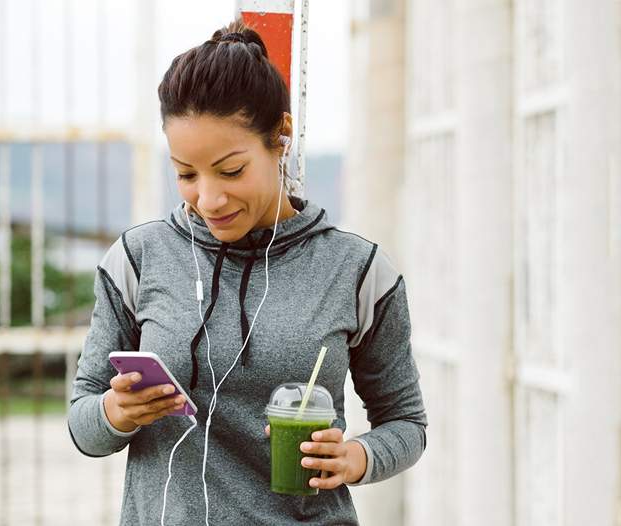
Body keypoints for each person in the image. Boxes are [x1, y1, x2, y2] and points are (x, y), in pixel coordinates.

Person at [67, 18, 427, 525]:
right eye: (186, 174)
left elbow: (407, 423)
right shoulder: (137, 260)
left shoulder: (359, 272)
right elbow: (82, 423)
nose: (209, 199)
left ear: (281, 136)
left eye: (231, 171)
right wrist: (113, 414)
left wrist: (357, 457)